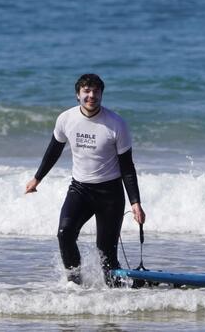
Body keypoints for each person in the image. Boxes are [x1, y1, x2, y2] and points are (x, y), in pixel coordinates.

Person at [25, 73, 146, 285]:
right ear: (77, 94)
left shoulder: (116, 124)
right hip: (80, 189)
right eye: (86, 91)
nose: (91, 96)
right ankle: (75, 285)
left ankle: (117, 295)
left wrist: (135, 202)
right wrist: (37, 178)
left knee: (106, 255)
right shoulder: (66, 119)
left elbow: (127, 167)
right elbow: (54, 150)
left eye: (96, 91)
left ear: (102, 94)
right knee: (65, 234)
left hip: (110, 194)